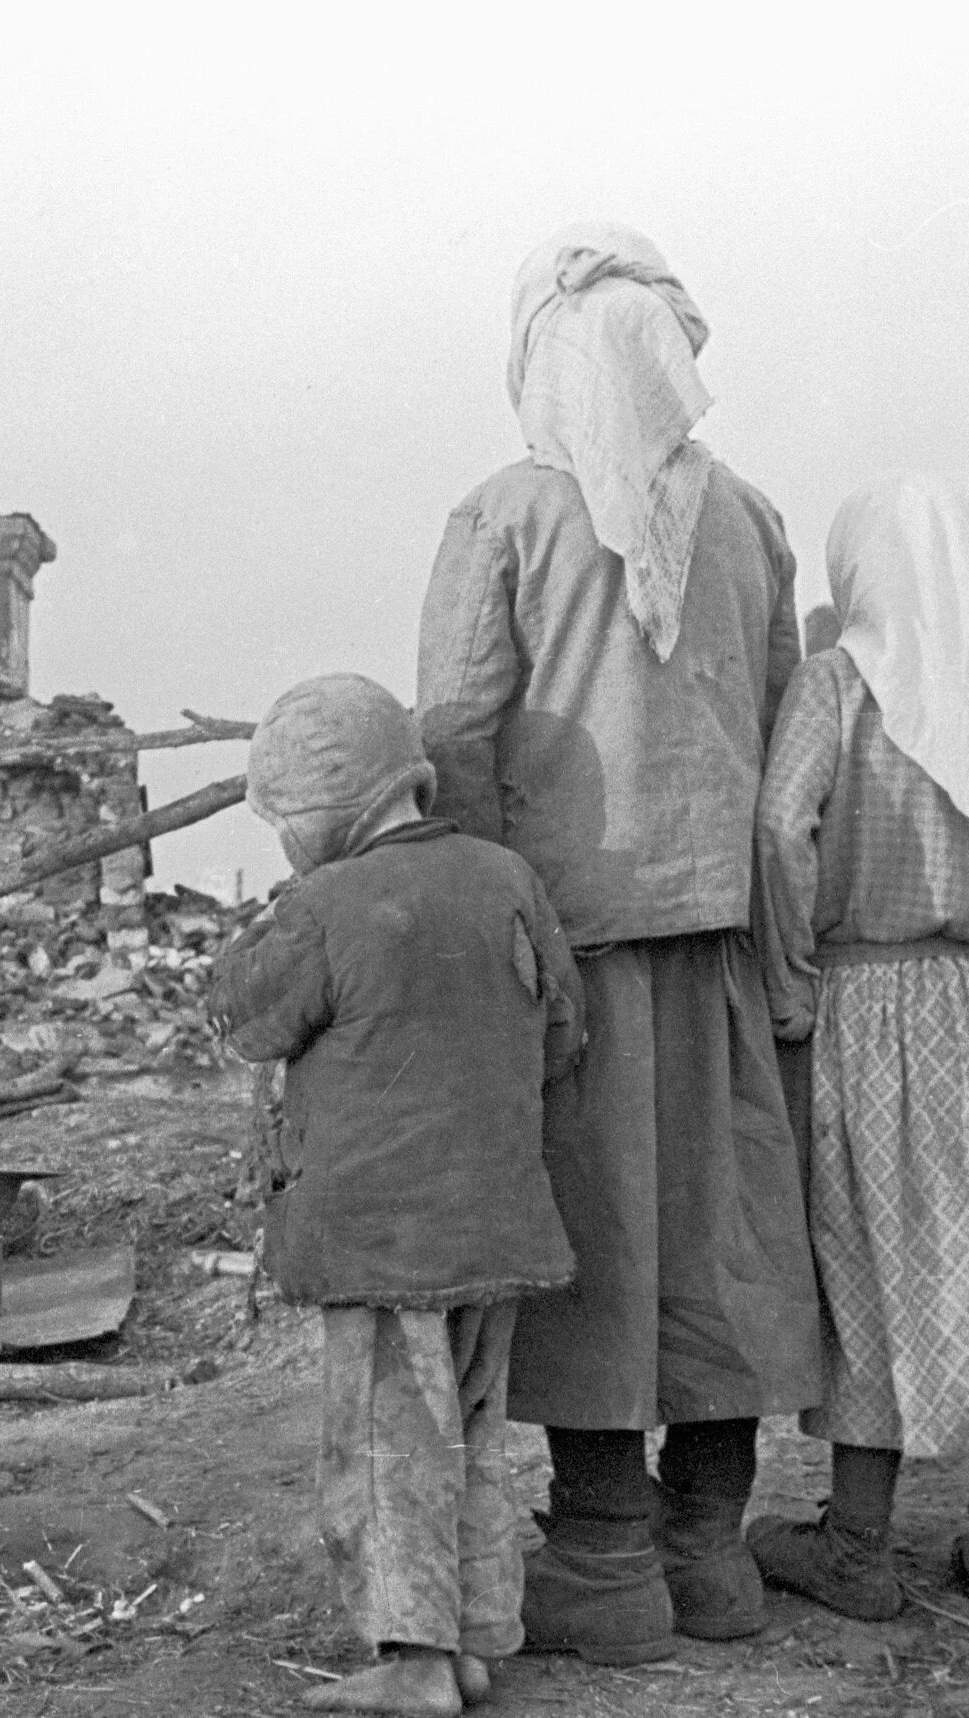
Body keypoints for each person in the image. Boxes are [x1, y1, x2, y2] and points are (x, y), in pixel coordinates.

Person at [415, 221, 822, 1664]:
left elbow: (456, 741)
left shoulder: (507, 515)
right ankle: (708, 1550)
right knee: (730, 1240)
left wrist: (491, 930)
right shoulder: (752, 518)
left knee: (596, 1246)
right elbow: (784, 736)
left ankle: (602, 1558)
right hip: (718, 940)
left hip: (568, 953)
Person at [214, 673, 584, 1716]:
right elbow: (566, 1032)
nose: (284, 839)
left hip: (383, 1239)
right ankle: (471, 1640)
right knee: (468, 1438)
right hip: (497, 1226)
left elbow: (244, 1020)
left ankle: (414, 1662)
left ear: (328, 803)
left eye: (283, 818)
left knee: (385, 1448)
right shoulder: (508, 877)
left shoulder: (323, 903)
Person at [746, 473, 969, 1620]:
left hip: (862, 1002)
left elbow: (783, 824)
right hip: (962, 999)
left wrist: (788, 978)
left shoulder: (840, 683)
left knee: (867, 1256)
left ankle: (859, 1544)